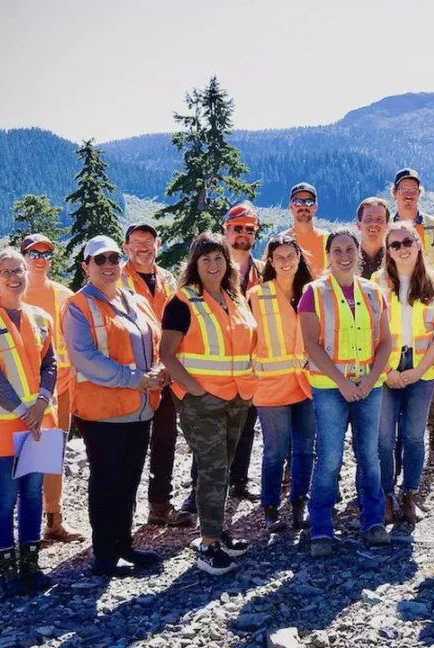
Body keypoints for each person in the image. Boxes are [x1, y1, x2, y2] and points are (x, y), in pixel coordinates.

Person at [63, 235, 166, 577]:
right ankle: (104, 554)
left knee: (129, 480)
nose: (108, 265)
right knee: (106, 481)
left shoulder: (135, 300)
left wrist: (159, 372)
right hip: (103, 413)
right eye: (99, 260)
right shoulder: (78, 306)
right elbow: (86, 358)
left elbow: (156, 342)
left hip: (140, 408)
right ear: (86, 267)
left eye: (112, 258)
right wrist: (136, 379)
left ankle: (124, 543)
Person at [160, 233, 256, 574]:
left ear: (227, 263)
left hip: (237, 397)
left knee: (223, 468)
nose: (213, 265)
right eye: (205, 259)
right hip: (202, 401)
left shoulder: (235, 298)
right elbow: (166, 354)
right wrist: (195, 391)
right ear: (194, 264)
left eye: (218, 258)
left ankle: (217, 532)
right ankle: (208, 545)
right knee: (213, 467)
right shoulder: (182, 302)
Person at [299, 227, 394, 557]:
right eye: (337, 250)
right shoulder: (314, 292)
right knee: (330, 457)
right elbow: (311, 343)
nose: (344, 256)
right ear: (328, 255)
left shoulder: (373, 292)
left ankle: (373, 522)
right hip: (330, 387)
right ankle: (321, 528)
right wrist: (342, 381)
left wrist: (369, 381)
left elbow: (386, 342)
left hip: (369, 386)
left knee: (369, 455)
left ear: (358, 253)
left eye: (349, 250)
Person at [0, 248, 58, 594]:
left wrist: (41, 401)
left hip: (40, 422)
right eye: (5, 272)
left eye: (18, 270)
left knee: (33, 495)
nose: (13, 277)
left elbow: (50, 363)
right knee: (5, 497)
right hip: (3, 424)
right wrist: (24, 410)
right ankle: (7, 571)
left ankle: (31, 565)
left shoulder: (41, 317)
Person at [184, 201, 264, 509]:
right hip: (210, 374)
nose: (243, 234)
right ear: (225, 230)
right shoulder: (208, 267)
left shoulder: (262, 271)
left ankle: (239, 481)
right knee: (209, 437)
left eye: (249, 229)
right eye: (237, 228)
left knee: (245, 428)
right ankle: (198, 491)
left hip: (246, 368)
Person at [7, 235, 84, 545]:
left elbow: (76, 341)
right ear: (23, 256)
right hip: (18, 394)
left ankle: (54, 519)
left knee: (53, 454)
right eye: (33, 253)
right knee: (18, 459)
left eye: (46, 253)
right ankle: (18, 530)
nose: (40, 259)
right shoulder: (7, 295)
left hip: (60, 388)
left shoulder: (65, 296)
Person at [121, 223, 192, 527]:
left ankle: (160, 505)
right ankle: (122, 513)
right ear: (126, 247)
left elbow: (176, 325)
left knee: (165, 439)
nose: (143, 247)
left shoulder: (167, 279)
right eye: (136, 241)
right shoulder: (117, 278)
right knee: (130, 445)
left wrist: (166, 366)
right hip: (131, 376)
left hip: (164, 372)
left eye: (148, 241)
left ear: (158, 245)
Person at [374, 222, 434, 524]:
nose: (402, 249)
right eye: (395, 245)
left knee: (414, 436)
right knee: (384, 438)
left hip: (422, 369)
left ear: (418, 244)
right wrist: (387, 370)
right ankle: (386, 496)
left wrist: (419, 371)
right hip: (385, 369)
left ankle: (410, 495)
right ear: (388, 251)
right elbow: (369, 332)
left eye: (407, 242)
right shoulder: (377, 283)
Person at [391, 168, 434, 468]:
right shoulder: (387, 225)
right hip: (396, 311)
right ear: (394, 193)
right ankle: (399, 448)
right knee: (393, 384)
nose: (408, 194)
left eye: (413, 189)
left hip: (433, 310)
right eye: (403, 189)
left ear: (420, 193)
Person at [248, 235, 316, 532]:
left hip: (307, 384)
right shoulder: (256, 295)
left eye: (291, 256)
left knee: (305, 449)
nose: (286, 262)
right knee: (275, 451)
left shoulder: (312, 293)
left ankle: (300, 503)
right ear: (271, 262)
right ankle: (270, 508)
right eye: (280, 257)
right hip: (271, 386)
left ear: (299, 258)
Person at [282, 182, 329, 276]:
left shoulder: (329, 240)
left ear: (315, 207)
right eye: (298, 202)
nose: (303, 206)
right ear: (291, 206)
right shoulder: (280, 240)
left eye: (309, 202)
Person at [357, 197, 390, 280]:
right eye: (368, 219)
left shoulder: (394, 258)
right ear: (359, 225)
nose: (374, 223)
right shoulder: (348, 259)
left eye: (379, 219)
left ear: (387, 227)